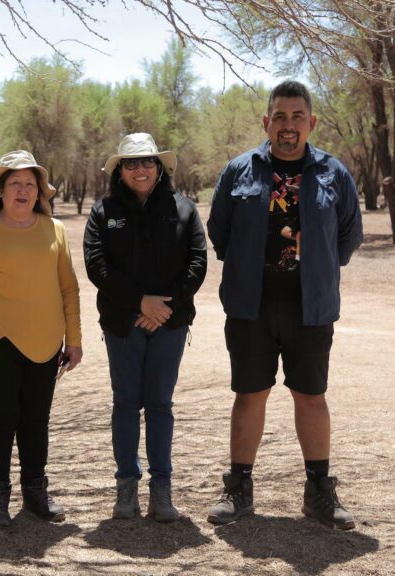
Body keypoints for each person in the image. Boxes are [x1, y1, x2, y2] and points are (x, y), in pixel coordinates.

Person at [206, 80, 363, 530]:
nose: (288, 125)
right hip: (250, 305)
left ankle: (318, 492)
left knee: (310, 395)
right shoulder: (239, 171)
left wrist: (315, 271)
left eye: (297, 117)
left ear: (311, 123)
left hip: (310, 306)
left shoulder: (335, 174)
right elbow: (220, 234)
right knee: (249, 394)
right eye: (280, 116)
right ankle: (238, 489)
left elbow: (348, 237)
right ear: (266, 122)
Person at [84, 133, 207, 522]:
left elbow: (197, 263)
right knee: (125, 404)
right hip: (123, 324)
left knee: (159, 405)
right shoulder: (104, 212)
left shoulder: (184, 209)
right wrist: (140, 303)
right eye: (131, 163)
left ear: (160, 168)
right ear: (119, 170)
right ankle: (126, 489)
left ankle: (162, 490)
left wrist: (162, 307)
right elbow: (97, 266)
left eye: (147, 162)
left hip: (169, 324)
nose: (140, 169)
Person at [0, 150, 82, 528]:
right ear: (0, 191)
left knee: (35, 421)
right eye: (15, 184)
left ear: (40, 191)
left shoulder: (55, 230)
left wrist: (73, 340)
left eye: (30, 184)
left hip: (46, 344)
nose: (23, 191)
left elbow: (69, 290)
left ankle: (35, 492)